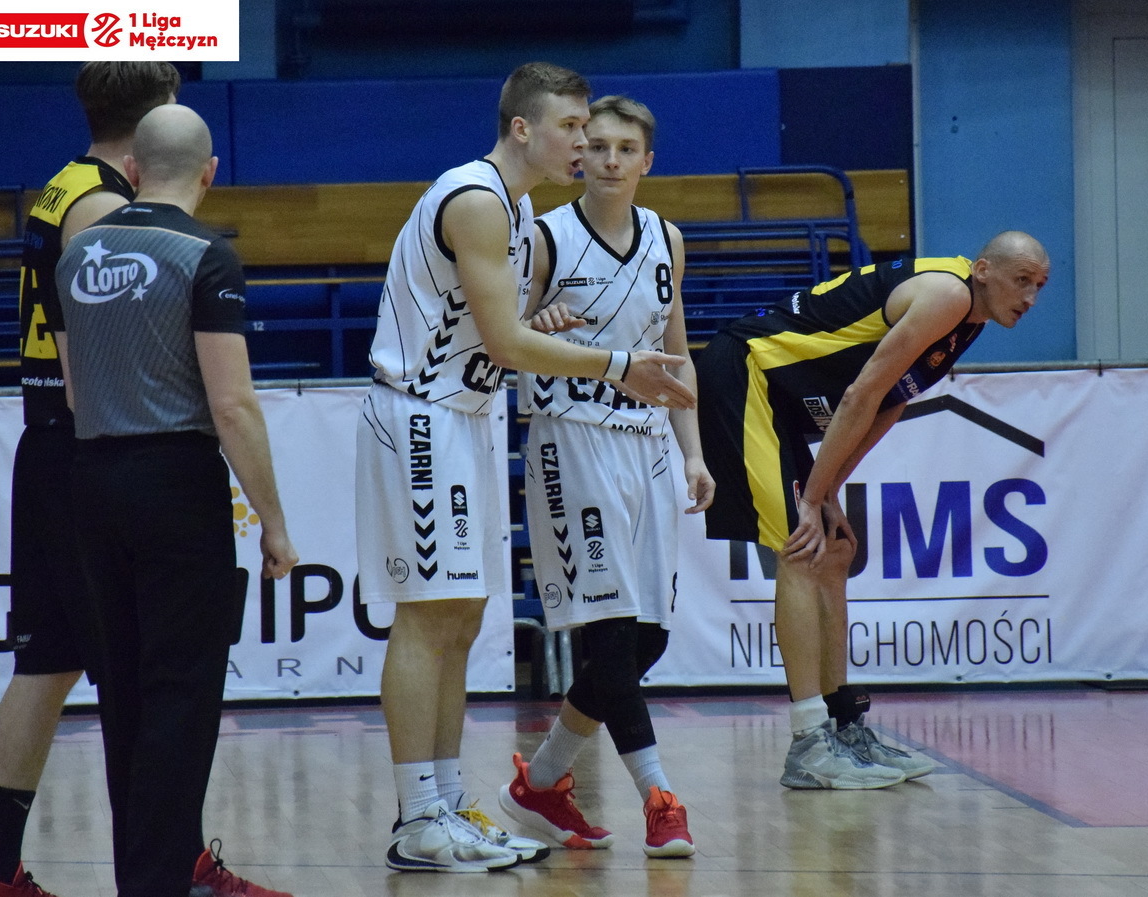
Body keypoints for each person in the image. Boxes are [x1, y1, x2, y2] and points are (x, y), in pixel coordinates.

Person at [356, 63, 696, 874]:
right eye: (571, 127)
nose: (583, 141)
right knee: (427, 617)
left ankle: (447, 803)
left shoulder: (513, 208)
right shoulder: (477, 200)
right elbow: (508, 346)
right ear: (522, 128)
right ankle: (417, 816)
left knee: (462, 618)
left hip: (468, 414)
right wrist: (617, 364)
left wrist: (542, 325)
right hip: (422, 414)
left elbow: (499, 331)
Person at [695, 232, 1050, 789]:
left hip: (780, 393)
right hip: (746, 372)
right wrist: (812, 498)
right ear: (984, 270)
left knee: (835, 549)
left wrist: (830, 488)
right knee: (801, 549)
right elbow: (859, 394)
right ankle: (808, 742)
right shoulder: (948, 296)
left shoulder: (970, 318)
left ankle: (844, 726)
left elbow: (890, 402)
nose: (1030, 298)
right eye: (1021, 281)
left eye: (1040, 286)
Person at [54, 104, 299, 897]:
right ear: (209, 172)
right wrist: (273, 520)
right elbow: (232, 405)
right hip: (174, 483)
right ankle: (162, 883)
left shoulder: (75, 254)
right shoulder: (205, 255)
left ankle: (142, 880)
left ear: (131, 171)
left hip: (90, 479)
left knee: (123, 690)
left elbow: (73, 388)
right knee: (181, 692)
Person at [0, 61, 180, 897]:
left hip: (50, 446)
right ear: (154, 120)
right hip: (86, 452)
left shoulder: (64, 184)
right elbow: (98, 354)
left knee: (47, 664)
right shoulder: (104, 207)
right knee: (136, 673)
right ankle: (168, 867)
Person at [494, 95, 712, 859]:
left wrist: (692, 451)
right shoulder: (543, 238)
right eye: (600, 145)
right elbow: (499, 338)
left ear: (648, 161)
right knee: (612, 633)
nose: (611, 159)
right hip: (573, 439)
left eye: (627, 148)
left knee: (646, 638)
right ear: (580, 155)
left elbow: (676, 353)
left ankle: (542, 779)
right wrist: (536, 326)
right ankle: (660, 797)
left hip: (647, 444)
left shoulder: (667, 238)